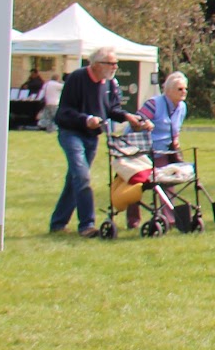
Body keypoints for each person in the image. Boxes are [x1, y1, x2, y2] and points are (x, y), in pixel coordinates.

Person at [50, 47, 150, 236]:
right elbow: (64, 112)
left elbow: (112, 109)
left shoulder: (110, 84)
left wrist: (128, 116)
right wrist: (86, 119)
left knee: (74, 180)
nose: (115, 67)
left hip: (91, 137)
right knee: (82, 177)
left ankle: (57, 223)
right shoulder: (77, 78)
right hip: (71, 133)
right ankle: (87, 225)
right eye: (110, 63)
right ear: (96, 65)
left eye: (116, 63)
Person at [127, 72, 189, 229]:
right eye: (179, 89)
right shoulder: (154, 103)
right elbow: (136, 122)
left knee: (168, 181)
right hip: (142, 150)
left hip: (164, 150)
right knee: (137, 183)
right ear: (168, 91)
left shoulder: (182, 107)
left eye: (185, 89)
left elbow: (176, 128)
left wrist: (176, 141)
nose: (184, 92)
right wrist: (144, 124)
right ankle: (133, 220)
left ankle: (170, 218)